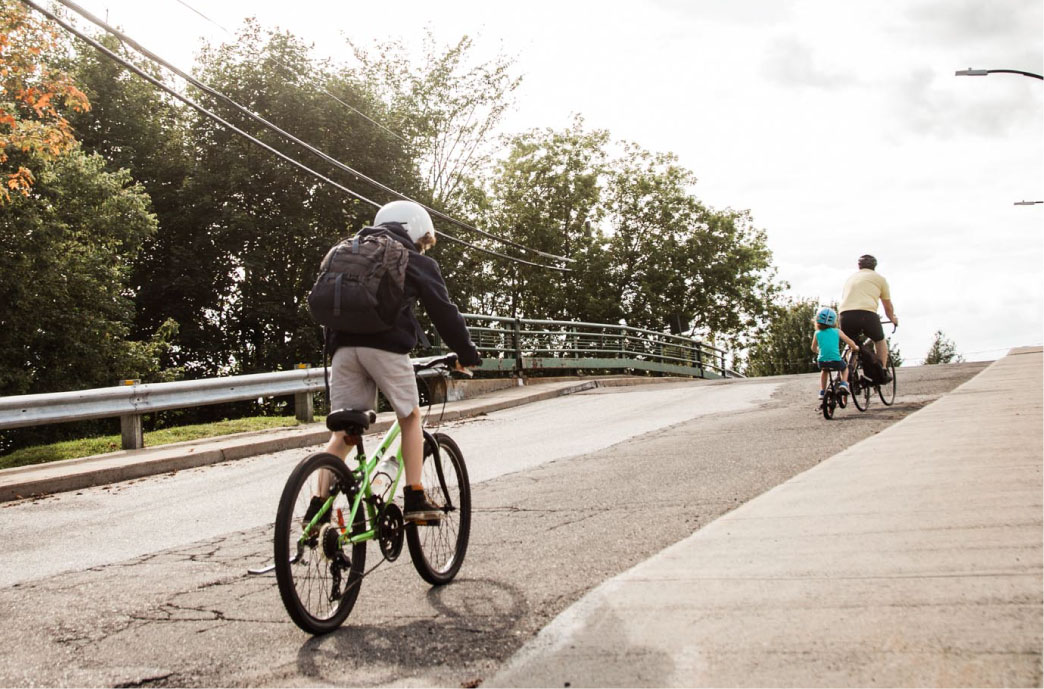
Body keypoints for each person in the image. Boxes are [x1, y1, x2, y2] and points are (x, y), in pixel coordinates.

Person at [321, 200, 481, 523]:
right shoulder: (411, 258)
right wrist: (467, 354)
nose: (423, 249)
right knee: (410, 417)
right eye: (423, 242)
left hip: (340, 348)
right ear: (413, 231)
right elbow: (444, 313)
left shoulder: (348, 250)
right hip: (384, 347)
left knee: (344, 434)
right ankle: (415, 495)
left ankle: (316, 510)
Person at [838, 254, 898, 381]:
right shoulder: (880, 279)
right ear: (874, 266)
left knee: (852, 344)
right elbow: (887, 306)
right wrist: (892, 318)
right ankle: (881, 371)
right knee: (879, 340)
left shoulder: (851, 278)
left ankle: (849, 373)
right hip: (866, 314)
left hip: (845, 315)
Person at [811, 307, 859, 400]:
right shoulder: (837, 331)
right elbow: (849, 341)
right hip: (835, 360)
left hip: (822, 361)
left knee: (824, 371)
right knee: (844, 368)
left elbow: (813, 348)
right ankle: (844, 384)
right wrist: (855, 347)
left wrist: (819, 351)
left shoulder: (817, 333)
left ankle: (822, 391)